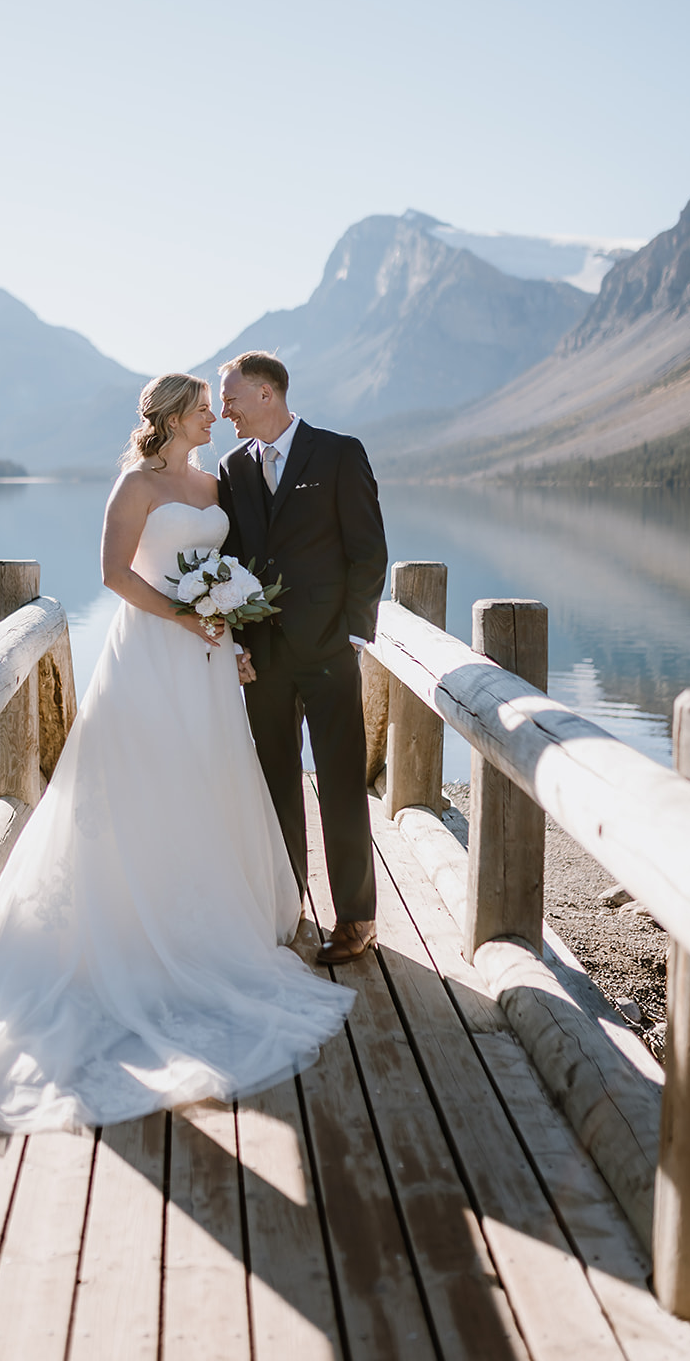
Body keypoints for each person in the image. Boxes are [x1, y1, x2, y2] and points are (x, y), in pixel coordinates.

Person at [0, 373, 353, 1135]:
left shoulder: (215, 485)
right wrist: (186, 613)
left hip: (208, 660)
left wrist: (231, 632)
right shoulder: (134, 486)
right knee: (141, 779)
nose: (217, 413)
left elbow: (228, 571)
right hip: (151, 650)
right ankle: (135, 930)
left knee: (205, 780)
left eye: (220, 404)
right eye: (206, 406)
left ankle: (208, 920)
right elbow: (113, 575)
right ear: (175, 415)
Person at [217, 353, 388, 965]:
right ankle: (287, 908)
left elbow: (369, 551)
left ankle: (356, 919)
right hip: (261, 658)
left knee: (342, 784)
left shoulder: (339, 453)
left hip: (329, 652)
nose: (224, 410)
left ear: (267, 393)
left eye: (232, 397)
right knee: (274, 787)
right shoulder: (232, 467)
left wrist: (355, 636)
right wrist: (237, 641)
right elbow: (230, 561)